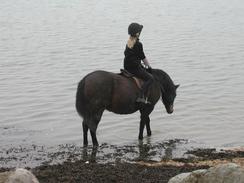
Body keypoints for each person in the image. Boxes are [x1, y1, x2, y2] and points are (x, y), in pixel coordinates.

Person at [124, 22, 154, 104]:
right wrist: (149, 66)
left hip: (126, 66)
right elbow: (142, 57)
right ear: (137, 33)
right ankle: (141, 96)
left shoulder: (129, 42)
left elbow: (127, 54)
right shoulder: (138, 44)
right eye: (140, 32)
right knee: (150, 78)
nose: (140, 33)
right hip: (134, 67)